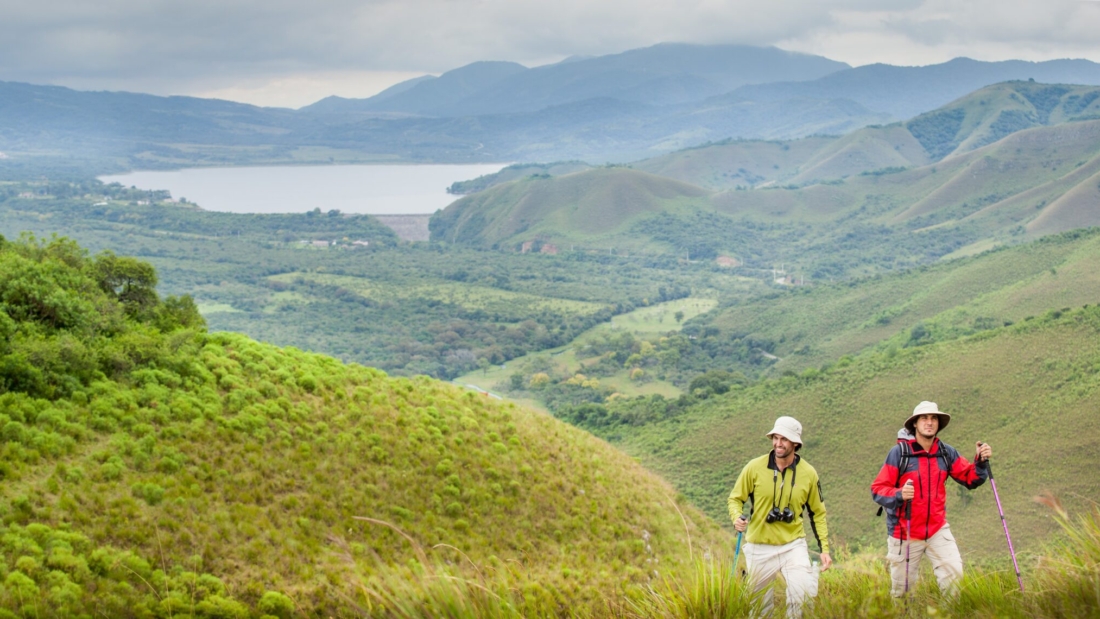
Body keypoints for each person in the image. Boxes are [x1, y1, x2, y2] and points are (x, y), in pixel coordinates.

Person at [870, 401, 992, 597]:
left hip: (937, 529)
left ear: (938, 424)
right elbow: (877, 489)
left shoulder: (946, 452)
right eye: (924, 418)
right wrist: (899, 494)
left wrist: (980, 461)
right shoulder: (899, 454)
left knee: (955, 580)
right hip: (904, 532)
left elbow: (970, 478)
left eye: (933, 418)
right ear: (915, 424)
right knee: (902, 594)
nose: (929, 422)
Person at [728, 416, 831, 618]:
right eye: (775, 437)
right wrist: (736, 517)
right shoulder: (754, 467)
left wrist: (824, 549)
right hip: (759, 545)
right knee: (759, 610)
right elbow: (735, 498)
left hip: (793, 545)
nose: (778, 443)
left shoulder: (809, 473)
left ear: (795, 443)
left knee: (802, 598)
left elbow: (818, 513)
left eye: (784, 439)